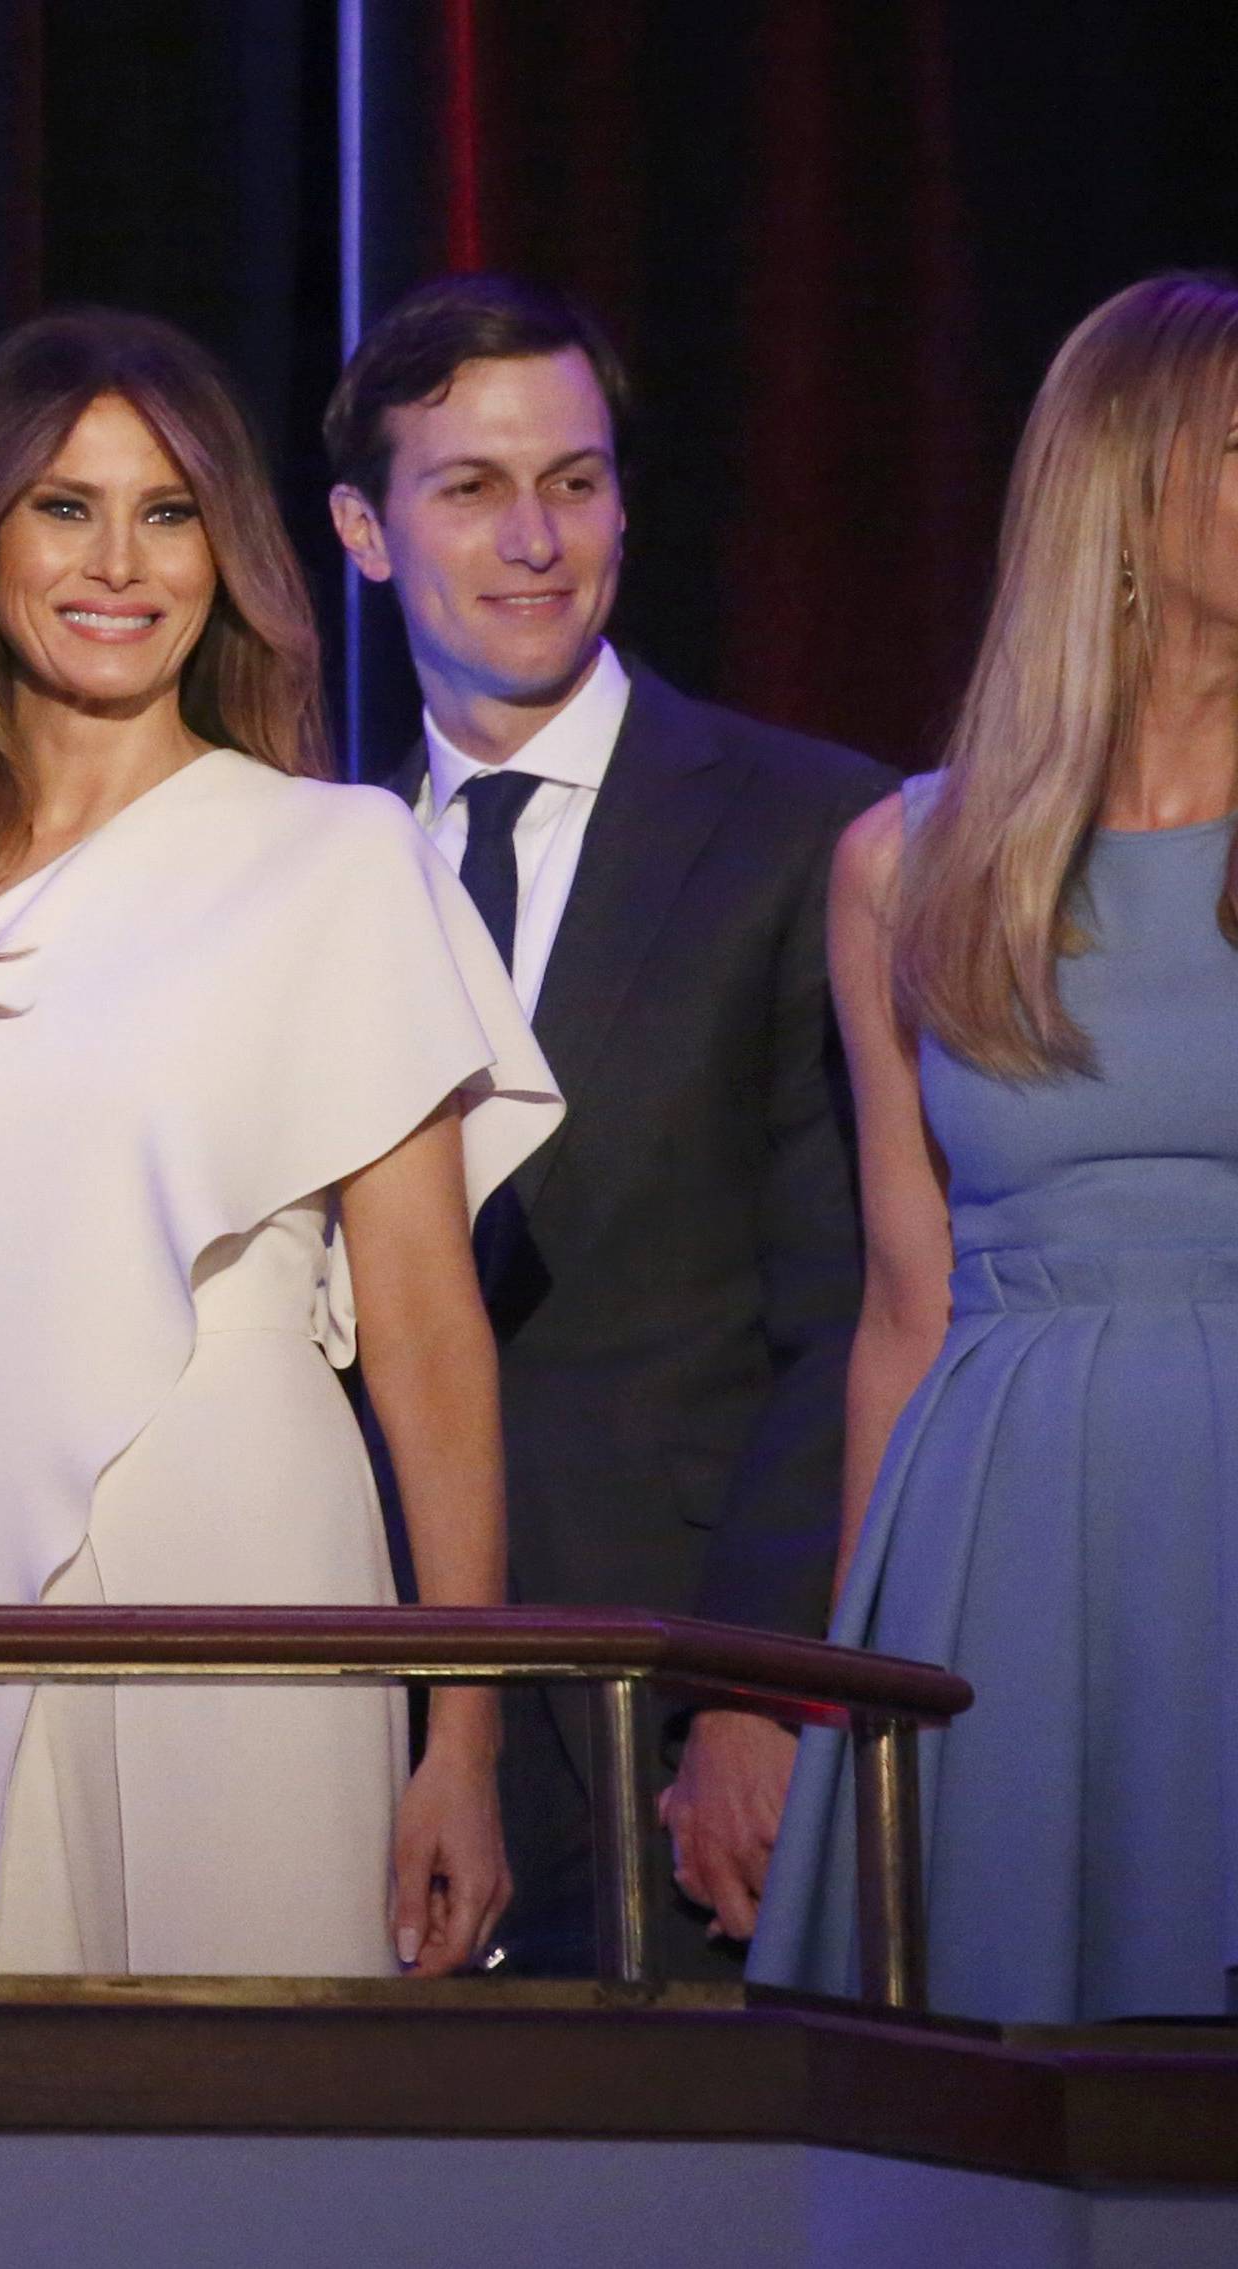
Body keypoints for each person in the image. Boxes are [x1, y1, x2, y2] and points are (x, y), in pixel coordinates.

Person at [0, 309, 560, 1978]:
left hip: (248, 1548)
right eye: (66, 507)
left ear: (225, 552)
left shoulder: (335, 858)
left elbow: (432, 1335)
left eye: (169, 513)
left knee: (257, 2132)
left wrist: (467, 1737)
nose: (122, 562)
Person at [326, 275, 891, 1974]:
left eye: (573, 482)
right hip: (362, 1675)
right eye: (471, 488)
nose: (534, 539)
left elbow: (855, 1306)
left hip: (679, 1702)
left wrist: (758, 1690)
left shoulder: (814, 827)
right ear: (366, 530)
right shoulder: (304, 858)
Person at [752, 273, 1238, 2023]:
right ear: (1122, 485)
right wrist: (845, 1685)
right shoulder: (910, 861)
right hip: (1003, 1521)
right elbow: (905, 1299)